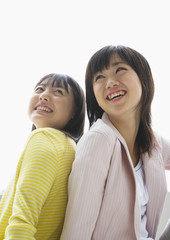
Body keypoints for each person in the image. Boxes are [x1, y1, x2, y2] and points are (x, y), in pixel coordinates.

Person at [60, 45, 170, 240]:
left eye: (120, 69)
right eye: (99, 78)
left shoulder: (153, 141)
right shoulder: (99, 140)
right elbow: (78, 227)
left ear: (143, 78)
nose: (109, 82)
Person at [0, 73, 85, 240]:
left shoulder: (45, 137)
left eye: (58, 92)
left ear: (75, 110)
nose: (44, 95)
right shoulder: (70, 147)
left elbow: (23, 220)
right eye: (39, 89)